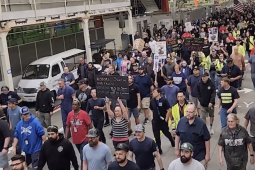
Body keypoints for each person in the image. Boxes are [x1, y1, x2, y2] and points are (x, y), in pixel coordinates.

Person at [66, 99, 92, 168]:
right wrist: (65, 138)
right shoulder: (70, 114)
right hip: (76, 140)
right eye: (72, 104)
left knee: (82, 156)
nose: (73, 106)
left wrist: (89, 136)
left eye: (75, 105)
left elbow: (90, 125)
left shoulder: (84, 114)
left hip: (84, 139)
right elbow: (68, 126)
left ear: (79, 106)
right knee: (83, 155)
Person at [150, 88, 175, 154]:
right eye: (153, 92)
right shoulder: (152, 101)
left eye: (154, 92)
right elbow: (151, 109)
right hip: (155, 121)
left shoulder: (164, 100)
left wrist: (166, 119)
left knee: (166, 132)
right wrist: (152, 118)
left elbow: (169, 109)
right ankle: (159, 148)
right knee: (157, 136)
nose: (153, 93)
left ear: (159, 93)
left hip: (163, 121)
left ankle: (172, 140)